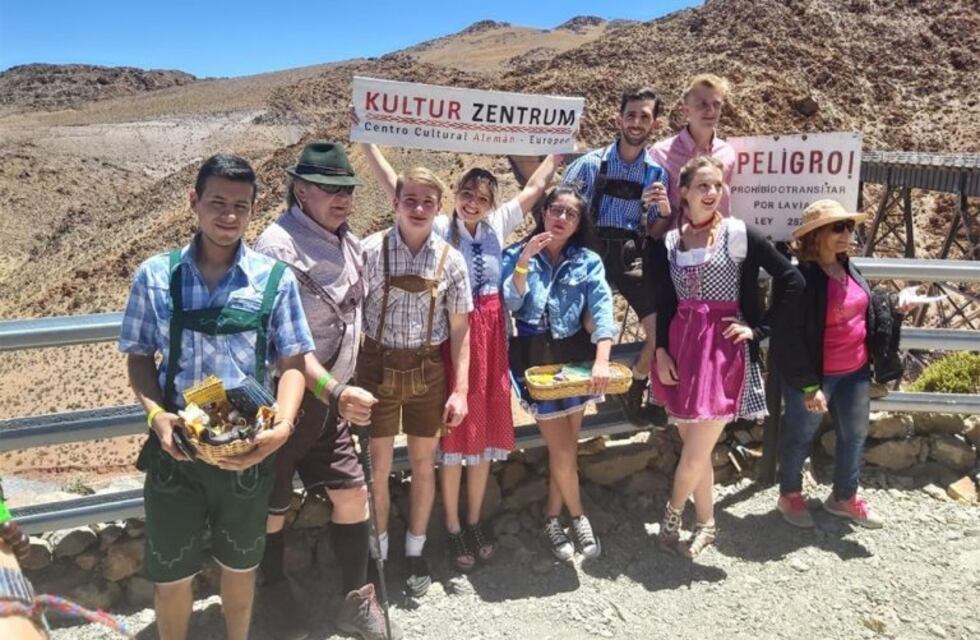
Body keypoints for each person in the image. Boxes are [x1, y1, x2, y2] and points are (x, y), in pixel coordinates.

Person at [118, 154, 314, 640]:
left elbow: (293, 363)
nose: (228, 215)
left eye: (240, 206)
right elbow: (140, 357)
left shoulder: (275, 280)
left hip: (247, 455)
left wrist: (282, 426)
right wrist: (157, 416)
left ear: (254, 209)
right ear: (194, 202)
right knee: (171, 576)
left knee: (240, 570)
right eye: (217, 202)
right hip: (176, 453)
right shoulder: (155, 277)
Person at [355, 139, 561, 572]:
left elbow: (537, 186)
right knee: (451, 436)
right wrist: (369, 144)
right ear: (456, 197)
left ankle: (473, 521)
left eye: (482, 199)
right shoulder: (440, 229)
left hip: (491, 332)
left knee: (483, 430)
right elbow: (401, 188)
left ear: (490, 204)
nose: (472, 204)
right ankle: (447, 526)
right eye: (466, 195)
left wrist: (556, 149)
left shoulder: (499, 224)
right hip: (455, 335)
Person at [252, 141, 402, 640]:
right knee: (273, 503)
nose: (342, 198)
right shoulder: (279, 246)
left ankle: (355, 601)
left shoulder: (343, 239)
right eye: (329, 189)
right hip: (287, 399)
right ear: (300, 191)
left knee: (352, 492)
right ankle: (270, 595)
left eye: (347, 189)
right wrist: (336, 389)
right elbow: (287, 341)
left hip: (333, 400)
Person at [649, 155, 802, 558]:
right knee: (695, 451)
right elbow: (665, 301)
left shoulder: (737, 234)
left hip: (720, 353)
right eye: (703, 185)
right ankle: (707, 525)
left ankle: (671, 517)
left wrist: (759, 329)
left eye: (717, 185)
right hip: (681, 350)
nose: (712, 192)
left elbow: (792, 279)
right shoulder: (672, 240)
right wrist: (662, 349)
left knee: (696, 451)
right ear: (683, 192)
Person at [356, 166, 472, 597]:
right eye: (411, 200)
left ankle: (415, 550)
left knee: (425, 464)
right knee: (378, 467)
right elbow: (352, 318)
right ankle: (379, 555)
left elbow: (461, 330)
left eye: (427, 201)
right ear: (395, 203)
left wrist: (460, 390)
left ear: (439, 207)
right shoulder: (370, 252)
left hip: (428, 372)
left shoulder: (451, 260)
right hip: (375, 370)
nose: (419, 208)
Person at [772, 199, 916, 530]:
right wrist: (809, 386)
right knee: (799, 435)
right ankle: (790, 495)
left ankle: (844, 498)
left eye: (849, 227)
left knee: (855, 435)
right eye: (837, 227)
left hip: (855, 370)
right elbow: (786, 339)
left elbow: (864, 309)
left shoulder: (848, 267)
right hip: (816, 376)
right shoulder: (798, 277)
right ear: (815, 235)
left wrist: (896, 305)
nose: (846, 234)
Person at [501, 186, 616, 561]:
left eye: (571, 213)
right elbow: (511, 302)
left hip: (575, 358)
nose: (561, 217)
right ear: (544, 211)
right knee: (564, 449)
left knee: (564, 450)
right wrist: (524, 261)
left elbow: (601, 309)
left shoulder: (587, 260)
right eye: (556, 209)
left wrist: (602, 359)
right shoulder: (518, 253)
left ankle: (552, 517)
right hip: (534, 359)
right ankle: (579, 516)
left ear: (579, 222)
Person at [561, 87, 672, 427]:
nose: (636, 122)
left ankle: (634, 387)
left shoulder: (657, 175)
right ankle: (578, 398)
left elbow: (654, 231)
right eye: (631, 114)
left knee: (660, 335)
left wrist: (665, 213)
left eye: (645, 116)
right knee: (587, 326)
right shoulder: (588, 166)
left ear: (654, 124)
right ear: (619, 118)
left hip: (630, 254)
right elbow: (562, 211)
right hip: (590, 251)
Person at [651, 73, 737, 218]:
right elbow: (651, 209)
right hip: (673, 238)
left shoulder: (727, 153)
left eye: (716, 104)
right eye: (702, 104)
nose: (710, 110)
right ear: (686, 110)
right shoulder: (660, 154)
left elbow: (723, 204)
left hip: (714, 238)